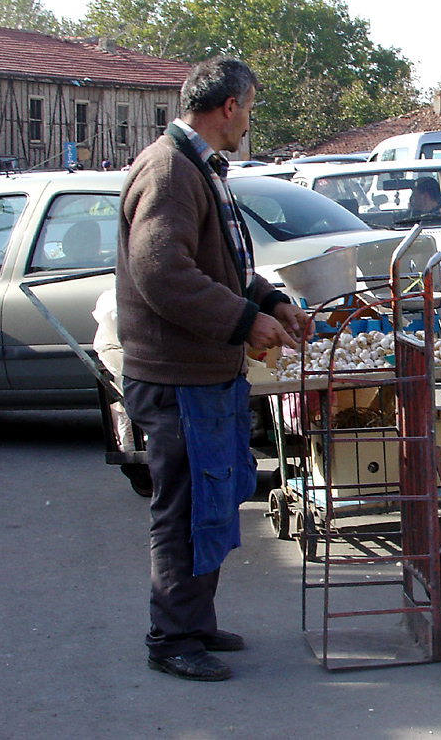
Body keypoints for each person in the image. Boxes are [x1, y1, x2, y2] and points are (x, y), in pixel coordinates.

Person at [115, 56, 312, 682]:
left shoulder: (200, 168)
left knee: (215, 500)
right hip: (177, 378)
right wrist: (243, 322)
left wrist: (271, 301)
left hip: (206, 374)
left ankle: (193, 623)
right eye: (250, 106)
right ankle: (171, 639)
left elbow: (220, 268)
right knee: (185, 510)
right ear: (229, 106)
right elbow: (162, 272)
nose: (250, 119)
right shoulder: (170, 170)